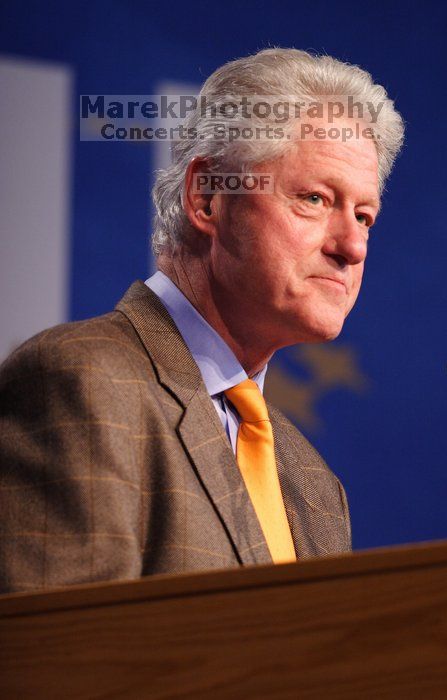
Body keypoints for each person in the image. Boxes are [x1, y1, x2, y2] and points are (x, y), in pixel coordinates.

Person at [0, 48, 404, 594]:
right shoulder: (83, 382)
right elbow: (65, 666)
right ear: (208, 197)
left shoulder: (313, 483)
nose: (352, 246)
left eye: (364, 216)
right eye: (314, 198)